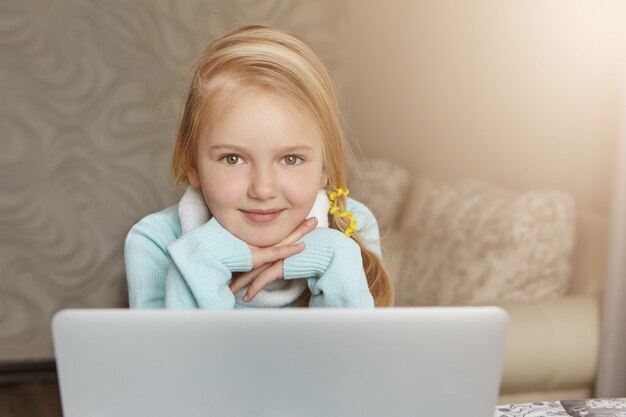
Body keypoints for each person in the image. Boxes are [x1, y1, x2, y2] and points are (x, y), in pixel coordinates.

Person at [124, 24, 392, 309]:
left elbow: (351, 353)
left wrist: (334, 256)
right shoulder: (154, 241)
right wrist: (197, 260)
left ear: (325, 168)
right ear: (192, 164)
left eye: (291, 159)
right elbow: (176, 354)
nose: (263, 189)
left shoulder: (354, 226)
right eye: (232, 159)